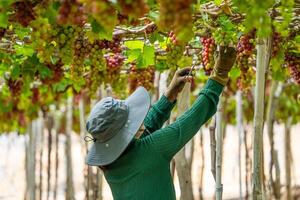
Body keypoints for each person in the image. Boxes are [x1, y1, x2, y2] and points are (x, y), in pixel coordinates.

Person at [85, 46, 236, 200]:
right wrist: (219, 75)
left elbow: (146, 130)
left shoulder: (111, 166)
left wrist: (170, 94)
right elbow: (191, 119)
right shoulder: (152, 150)